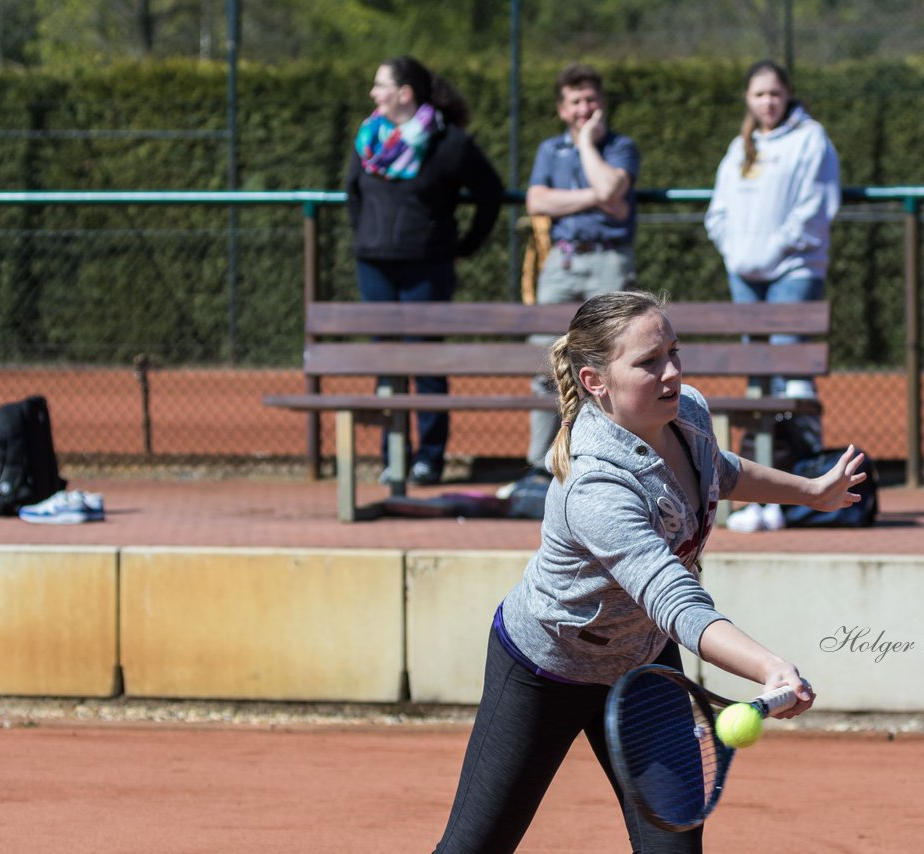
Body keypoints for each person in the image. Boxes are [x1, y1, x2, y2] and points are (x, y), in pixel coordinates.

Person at [434, 290, 866, 853]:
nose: (672, 373)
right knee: (475, 846)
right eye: (648, 362)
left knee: (674, 849)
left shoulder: (687, 413)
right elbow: (674, 598)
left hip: (644, 670)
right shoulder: (595, 486)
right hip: (545, 669)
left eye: (673, 352)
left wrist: (811, 492)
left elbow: (717, 469)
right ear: (595, 381)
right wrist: (768, 665)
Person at [345, 55, 504, 486]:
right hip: (375, 266)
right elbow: (353, 193)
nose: (373, 94)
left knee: (427, 362)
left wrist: (463, 246)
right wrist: (366, 238)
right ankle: (393, 457)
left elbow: (491, 193)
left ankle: (429, 459)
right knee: (386, 362)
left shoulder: (449, 143)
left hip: (427, 268)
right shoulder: (368, 140)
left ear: (404, 94)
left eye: (380, 86)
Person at [704, 59, 841, 532]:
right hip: (745, 274)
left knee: (792, 368)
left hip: (793, 271)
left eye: (774, 94)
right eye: (759, 94)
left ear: (787, 96)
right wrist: (738, 252)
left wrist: (771, 248)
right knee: (758, 376)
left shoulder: (811, 140)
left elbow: (814, 208)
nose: (767, 102)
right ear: (748, 98)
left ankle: (807, 477)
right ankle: (765, 493)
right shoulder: (739, 147)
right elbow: (718, 213)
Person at [521, 62, 640, 478]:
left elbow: (613, 189)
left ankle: (604, 462)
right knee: (546, 361)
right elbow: (536, 201)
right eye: (575, 101)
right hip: (561, 262)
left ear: (602, 104)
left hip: (609, 259)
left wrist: (588, 144)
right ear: (561, 108)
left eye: (590, 99)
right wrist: (598, 197)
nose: (583, 108)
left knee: (607, 365)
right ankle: (540, 465)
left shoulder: (621, 146)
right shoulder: (549, 150)